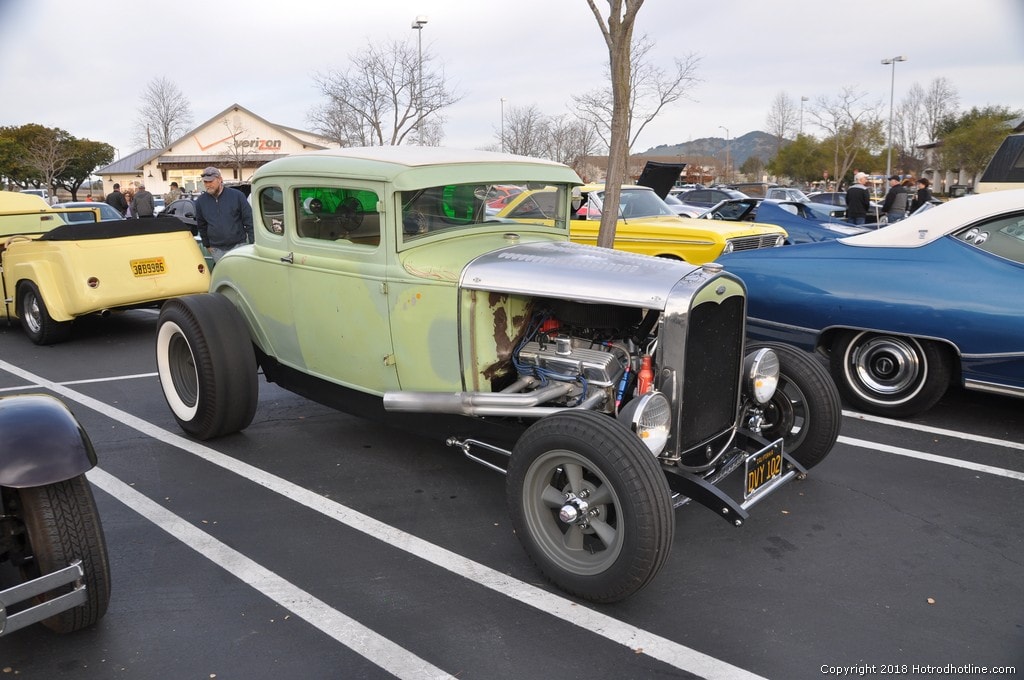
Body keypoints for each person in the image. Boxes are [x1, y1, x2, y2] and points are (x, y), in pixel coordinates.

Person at [195, 166, 253, 263]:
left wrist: (252, 243)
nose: (208, 185)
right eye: (205, 182)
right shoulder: (201, 201)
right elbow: (201, 225)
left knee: (239, 272)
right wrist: (207, 245)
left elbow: (249, 220)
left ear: (220, 179)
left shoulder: (237, 196)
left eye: (211, 181)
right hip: (216, 249)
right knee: (223, 272)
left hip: (238, 246)